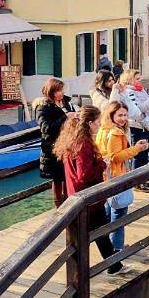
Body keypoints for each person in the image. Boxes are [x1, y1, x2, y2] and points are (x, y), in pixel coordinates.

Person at [54, 106, 119, 273]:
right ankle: (107, 266)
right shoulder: (83, 144)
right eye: (98, 122)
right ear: (90, 123)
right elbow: (84, 174)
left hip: (77, 194)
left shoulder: (73, 139)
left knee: (96, 233)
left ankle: (112, 264)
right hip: (87, 197)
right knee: (94, 233)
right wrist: (102, 164)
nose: (99, 125)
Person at [95, 101, 148, 270]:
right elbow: (116, 156)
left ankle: (112, 250)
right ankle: (116, 255)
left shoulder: (102, 130)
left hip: (106, 177)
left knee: (109, 214)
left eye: (125, 115)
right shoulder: (116, 133)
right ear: (112, 115)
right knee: (119, 216)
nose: (124, 118)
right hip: (117, 177)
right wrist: (137, 149)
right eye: (120, 115)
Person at [117, 70, 149, 192]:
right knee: (138, 155)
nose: (139, 81)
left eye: (139, 78)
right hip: (136, 126)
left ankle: (143, 179)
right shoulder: (128, 92)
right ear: (129, 79)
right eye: (137, 78)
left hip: (145, 126)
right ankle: (137, 182)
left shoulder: (140, 90)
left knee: (144, 155)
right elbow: (140, 109)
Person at [36, 78, 76, 207]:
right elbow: (46, 128)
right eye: (58, 90)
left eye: (62, 90)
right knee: (58, 179)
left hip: (68, 145)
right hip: (53, 148)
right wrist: (65, 117)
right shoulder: (43, 107)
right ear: (51, 92)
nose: (61, 93)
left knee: (67, 177)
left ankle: (69, 206)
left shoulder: (66, 102)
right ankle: (59, 209)